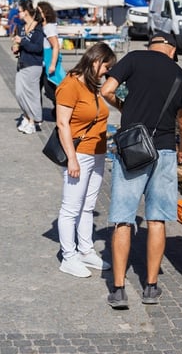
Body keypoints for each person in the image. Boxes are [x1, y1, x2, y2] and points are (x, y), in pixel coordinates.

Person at [100, 31, 182, 308]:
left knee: (123, 219)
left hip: (132, 148)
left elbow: (106, 91)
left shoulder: (134, 58)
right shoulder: (179, 75)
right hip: (163, 150)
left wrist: (125, 108)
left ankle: (118, 289)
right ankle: (150, 286)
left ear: (152, 44)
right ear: (173, 50)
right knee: (156, 220)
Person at [55, 43, 117, 278]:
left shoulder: (92, 86)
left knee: (88, 204)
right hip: (80, 153)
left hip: (98, 152)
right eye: (106, 67)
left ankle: (85, 249)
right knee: (71, 206)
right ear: (95, 62)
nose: (107, 72)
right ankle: (68, 256)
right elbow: (62, 124)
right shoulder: (70, 85)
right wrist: (72, 158)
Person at [12, 0, 45, 134]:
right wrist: (15, 47)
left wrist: (23, 42)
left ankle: (33, 121)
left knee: (32, 95)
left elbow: (38, 48)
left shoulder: (38, 28)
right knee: (20, 93)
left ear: (26, 11)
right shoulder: (21, 27)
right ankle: (27, 116)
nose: (17, 13)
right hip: (22, 63)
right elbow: (19, 44)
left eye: (19, 10)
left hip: (34, 64)